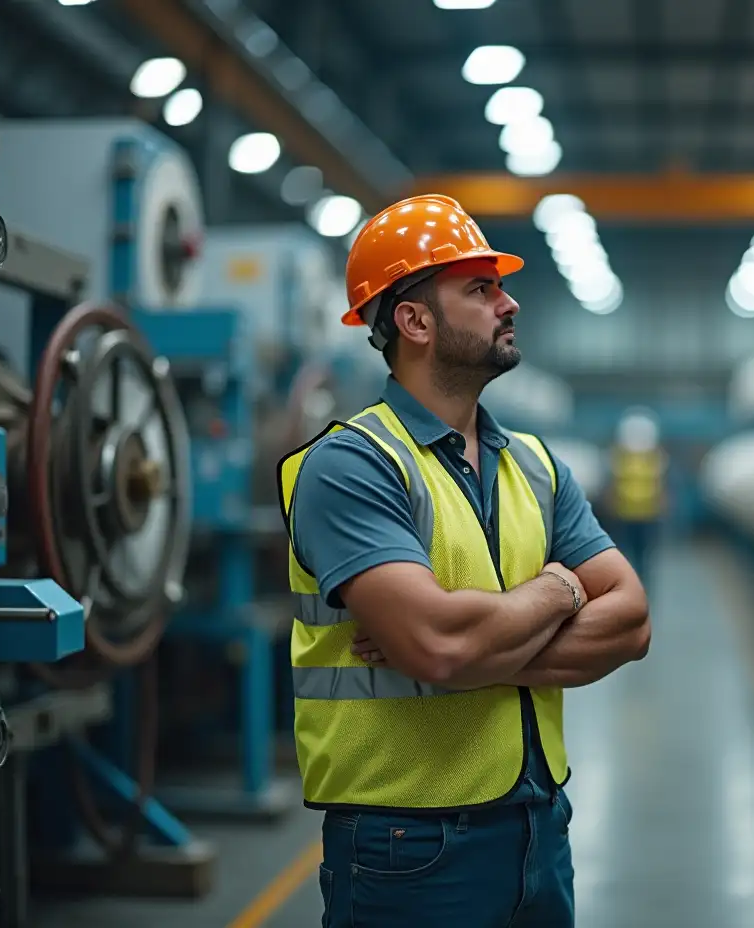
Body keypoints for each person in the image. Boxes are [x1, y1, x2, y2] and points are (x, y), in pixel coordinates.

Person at [276, 194, 651, 928]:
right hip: (408, 847)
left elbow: (632, 622)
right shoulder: (351, 465)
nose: (508, 304)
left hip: (540, 827)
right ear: (414, 321)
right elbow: (440, 644)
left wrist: (476, 655)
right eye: (480, 289)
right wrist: (560, 586)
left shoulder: (535, 466)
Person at [606, 407, 667, 592]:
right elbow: (613, 482)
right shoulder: (619, 455)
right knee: (628, 554)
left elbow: (662, 482)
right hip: (628, 513)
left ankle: (639, 588)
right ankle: (628, 587)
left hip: (646, 514)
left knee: (642, 556)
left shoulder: (654, 456)